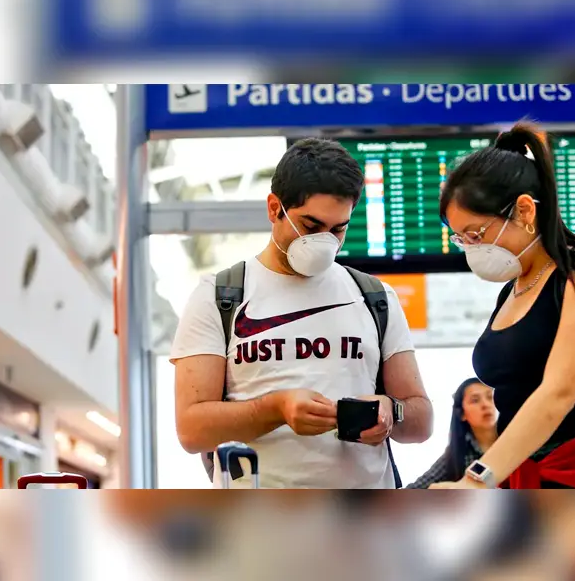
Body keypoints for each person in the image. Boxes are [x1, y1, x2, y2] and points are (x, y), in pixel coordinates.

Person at [171, 138, 433, 489]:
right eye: (311, 227)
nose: (325, 242)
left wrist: (390, 410)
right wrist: (275, 409)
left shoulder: (374, 297)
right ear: (273, 208)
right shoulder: (219, 296)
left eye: (339, 229)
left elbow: (421, 420)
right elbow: (191, 430)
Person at [430, 122, 575, 489]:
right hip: (527, 472)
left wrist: (477, 480)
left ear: (524, 210)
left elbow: (559, 391)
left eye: (476, 234)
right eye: (461, 239)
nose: (471, 248)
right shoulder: (513, 289)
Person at [407, 378, 499, 489]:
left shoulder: (514, 439)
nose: (485, 404)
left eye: (490, 397)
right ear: (462, 414)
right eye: (475, 400)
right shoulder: (456, 455)